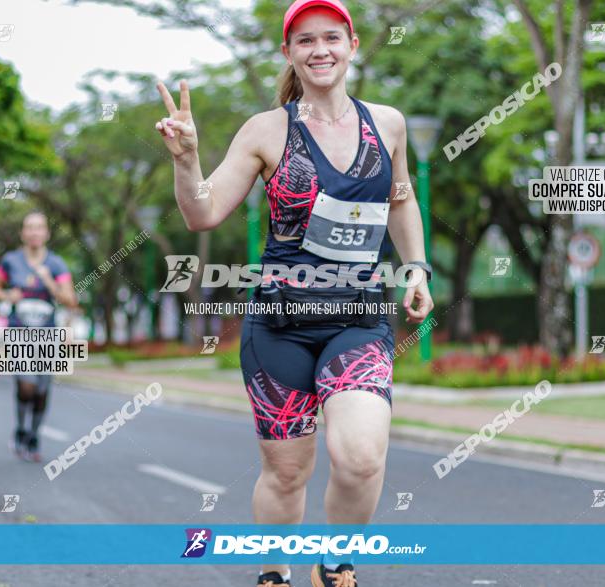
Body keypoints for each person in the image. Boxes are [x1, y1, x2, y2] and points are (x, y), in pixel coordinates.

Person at [156, 1, 434, 585]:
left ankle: (334, 564)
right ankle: (275, 573)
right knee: (287, 473)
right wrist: (187, 160)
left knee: (361, 457)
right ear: (289, 53)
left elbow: (401, 197)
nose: (320, 50)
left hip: (357, 322)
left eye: (331, 37)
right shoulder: (266, 130)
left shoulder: (388, 124)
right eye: (305, 40)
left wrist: (416, 268)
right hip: (279, 327)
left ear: (352, 44)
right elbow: (203, 212)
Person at [0, 211, 77, 462]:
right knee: (26, 386)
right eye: (29, 227)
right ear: (23, 233)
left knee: (41, 390)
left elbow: (70, 300)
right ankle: (20, 428)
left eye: (39, 227)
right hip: (19, 332)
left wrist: (49, 282)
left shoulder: (56, 264)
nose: (34, 232)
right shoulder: (11, 261)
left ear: (46, 233)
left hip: (47, 335)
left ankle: (33, 434)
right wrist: (7, 296)